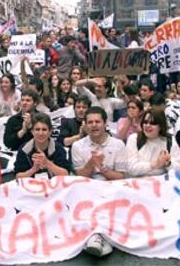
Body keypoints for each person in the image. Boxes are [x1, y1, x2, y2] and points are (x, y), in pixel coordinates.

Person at [71, 106, 127, 257]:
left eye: (97, 121)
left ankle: (101, 237)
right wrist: (91, 163)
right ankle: (98, 237)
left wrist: (102, 168)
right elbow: (80, 176)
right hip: (87, 186)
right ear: (85, 125)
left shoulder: (119, 145)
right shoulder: (77, 146)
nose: (94, 125)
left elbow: (121, 176)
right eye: (90, 122)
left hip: (112, 185)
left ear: (105, 123)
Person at [14, 113, 71, 179]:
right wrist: (33, 170)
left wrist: (47, 163)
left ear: (50, 132)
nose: (40, 133)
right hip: (31, 186)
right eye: (37, 129)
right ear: (32, 131)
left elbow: (66, 174)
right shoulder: (24, 149)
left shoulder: (58, 148)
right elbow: (18, 176)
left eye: (44, 129)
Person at [126, 110, 180, 177]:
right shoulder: (134, 139)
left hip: (163, 181)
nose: (147, 125)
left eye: (153, 123)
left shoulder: (171, 141)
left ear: (161, 126)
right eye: (145, 122)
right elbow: (131, 168)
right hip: (138, 181)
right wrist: (155, 164)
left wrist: (169, 164)